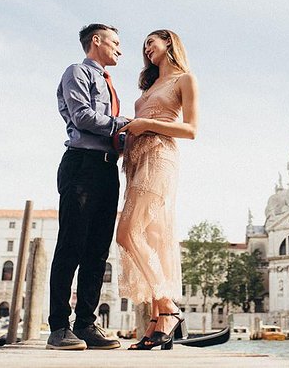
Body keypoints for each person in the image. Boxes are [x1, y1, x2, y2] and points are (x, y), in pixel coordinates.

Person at [46, 24, 129, 350]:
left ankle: (85, 325)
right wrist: (129, 125)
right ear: (97, 41)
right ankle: (58, 328)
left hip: (108, 171)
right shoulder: (77, 72)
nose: (120, 50)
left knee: (97, 251)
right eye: (116, 42)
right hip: (81, 166)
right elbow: (82, 117)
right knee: (71, 246)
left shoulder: (109, 83)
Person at [116, 29, 198, 350]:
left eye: (152, 41)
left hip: (161, 156)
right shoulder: (150, 86)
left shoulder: (184, 79)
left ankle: (168, 308)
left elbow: (191, 129)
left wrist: (146, 124)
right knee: (150, 238)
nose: (147, 48)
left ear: (170, 42)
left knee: (127, 233)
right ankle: (156, 324)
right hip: (135, 159)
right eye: (144, 45)